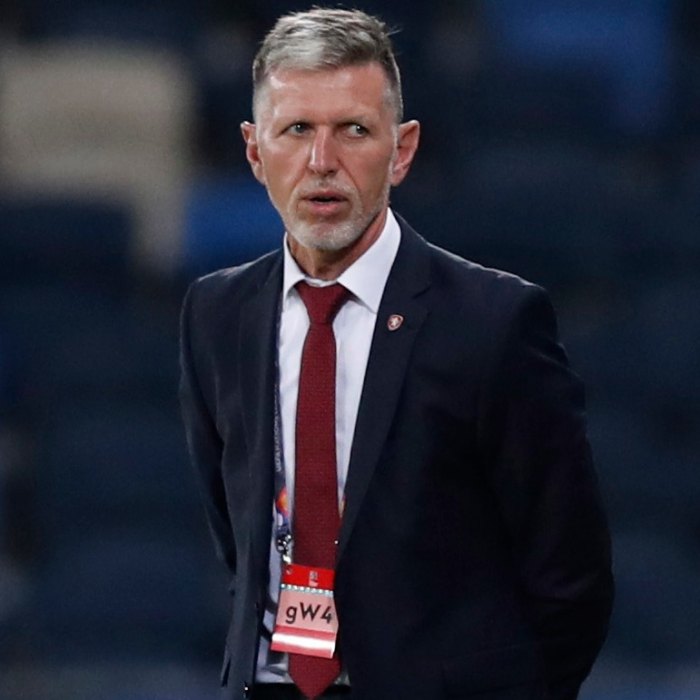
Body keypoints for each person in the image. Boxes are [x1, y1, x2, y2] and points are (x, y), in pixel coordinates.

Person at [179, 8, 614, 700]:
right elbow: (239, 536)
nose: (322, 162)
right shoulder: (216, 313)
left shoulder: (493, 321)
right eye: (297, 130)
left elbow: (571, 580)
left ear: (402, 149)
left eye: (354, 130)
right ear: (255, 152)